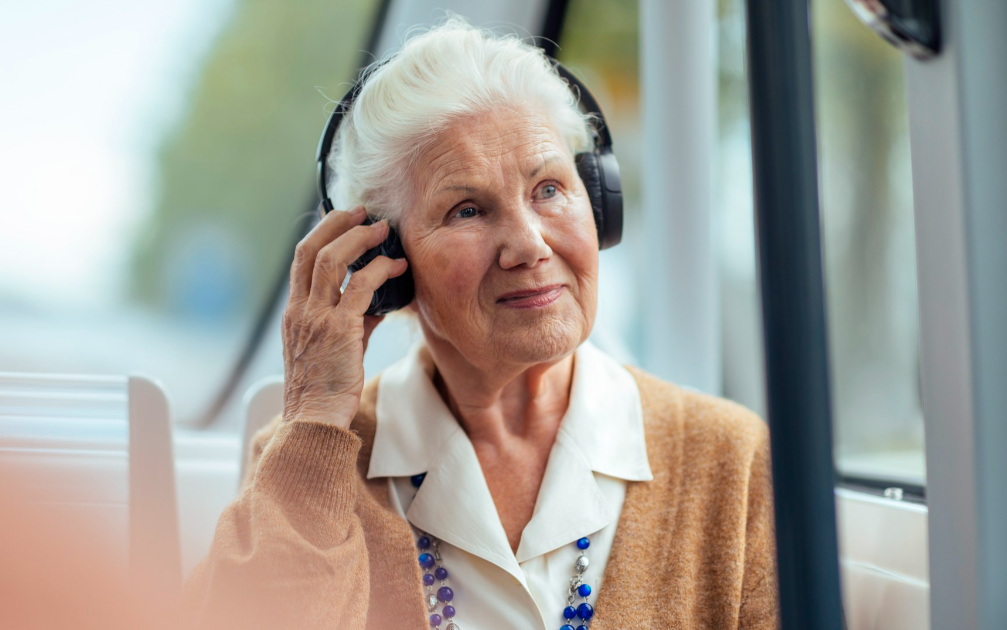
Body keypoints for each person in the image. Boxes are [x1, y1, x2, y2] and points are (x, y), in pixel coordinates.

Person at [179, 17, 777, 630]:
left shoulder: (731, 458)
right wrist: (313, 415)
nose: (528, 245)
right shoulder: (311, 460)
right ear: (386, 264)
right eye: (467, 209)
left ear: (598, 204)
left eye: (549, 188)